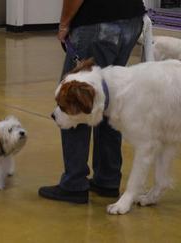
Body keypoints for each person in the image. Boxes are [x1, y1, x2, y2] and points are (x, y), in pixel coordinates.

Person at [39, 0, 146, 203]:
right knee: (109, 100)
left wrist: (64, 25)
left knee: (73, 100)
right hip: (132, 19)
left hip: (96, 24)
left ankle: (74, 182)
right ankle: (108, 178)